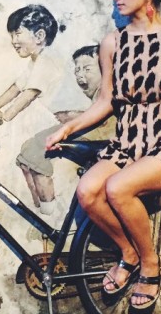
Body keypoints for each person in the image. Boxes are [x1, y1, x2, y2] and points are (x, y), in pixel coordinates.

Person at [45, 0, 161, 310]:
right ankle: (130, 253)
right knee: (88, 192)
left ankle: (151, 265)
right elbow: (106, 101)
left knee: (117, 188)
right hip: (127, 144)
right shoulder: (113, 43)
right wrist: (67, 129)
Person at [16, 45, 115, 215]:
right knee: (29, 151)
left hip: (99, 135)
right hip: (93, 131)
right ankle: (41, 208)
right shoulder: (99, 92)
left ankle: (47, 211)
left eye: (87, 69)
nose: (80, 74)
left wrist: (71, 116)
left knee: (35, 149)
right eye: (77, 70)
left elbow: (103, 118)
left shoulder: (107, 89)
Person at [0, 4, 64, 125]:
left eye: (17, 34)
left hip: (60, 120)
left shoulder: (46, 62)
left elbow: (28, 96)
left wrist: (5, 117)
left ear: (39, 36)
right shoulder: (35, 61)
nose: (13, 41)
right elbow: (15, 89)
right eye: (12, 36)